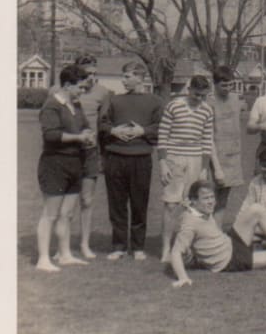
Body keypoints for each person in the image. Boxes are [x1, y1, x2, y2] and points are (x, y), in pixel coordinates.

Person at [98, 62, 163, 261]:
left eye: (127, 76)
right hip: (115, 157)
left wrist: (142, 131)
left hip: (141, 159)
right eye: (123, 76)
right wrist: (113, 130)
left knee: (139, 203)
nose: (123, 80)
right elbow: (102, 123)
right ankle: (118, 245)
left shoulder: (154, 101)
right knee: (116, 204)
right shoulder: (114, 100)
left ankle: (137, 247)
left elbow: (162, 127)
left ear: (140, 78)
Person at [34, 64, 95, 272]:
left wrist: (88, 133)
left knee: (67, 214)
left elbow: (85, 124)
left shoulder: (75, 104)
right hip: (55, 164)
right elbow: (51, 135)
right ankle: (43, 259)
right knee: (50, 214)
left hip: (75, 163)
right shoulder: (51, 106)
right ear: (68, 85)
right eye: (80, 87)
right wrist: (79, 137)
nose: (83, 91)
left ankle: (65, 254)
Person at [155, 75, 214, 262]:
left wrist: (204, 168)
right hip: (174, 157)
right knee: (171, 204)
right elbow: (162, 136)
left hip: (196, 158)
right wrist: (163, 163)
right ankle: (166, 249)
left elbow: (207, 140)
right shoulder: (174, 106)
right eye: (196, 95)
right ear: (189, 89)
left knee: (193, 205)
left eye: (203, 96)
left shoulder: (207, 110)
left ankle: (188, 247)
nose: (199, 99)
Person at [70, 54, 112, 259]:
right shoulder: (63, 91)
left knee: (86, 200)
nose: (93, 78)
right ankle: (64, 245)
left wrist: (102, 155)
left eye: (96, 73)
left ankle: (85, 243)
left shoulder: (103, 93)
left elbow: (104, 125)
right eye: (88, 74)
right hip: (68, 151)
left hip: (90, 152)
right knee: (66, 201)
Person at [209, 66, 246, 228]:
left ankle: (216, 234)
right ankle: (203, 236)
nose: (228, 89)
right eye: (224, 85)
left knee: (223, 200)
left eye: (230, 85)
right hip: (214, 157)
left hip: (232, 156)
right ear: (215, 84)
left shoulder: (235, 99)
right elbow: (207, 137)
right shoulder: (209, 102)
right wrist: (216, 167)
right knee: (208, 200)